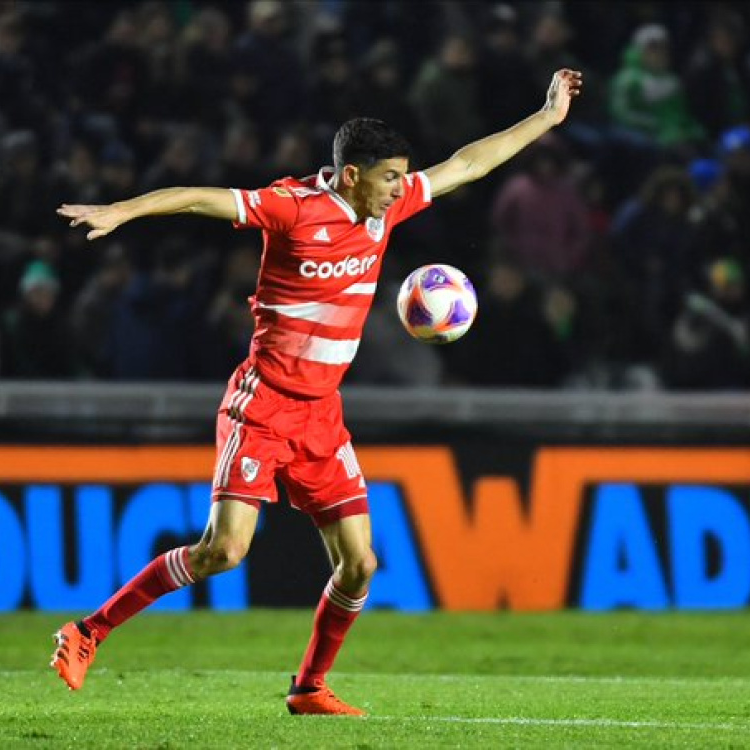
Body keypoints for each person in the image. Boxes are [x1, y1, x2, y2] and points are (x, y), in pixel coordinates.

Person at [49, 68, 583, 715]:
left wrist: (545, 117)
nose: (402, 189)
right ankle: (88, 631)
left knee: (360, 564)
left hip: (321, 415)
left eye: (402, 178)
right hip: (263, 405)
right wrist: (122, 211)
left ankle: (308, 687)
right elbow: (198, 198)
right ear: (352, 175)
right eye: (390, 178)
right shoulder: (293, 208)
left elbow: (467, 163)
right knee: (224, 551)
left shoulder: (388, 209)